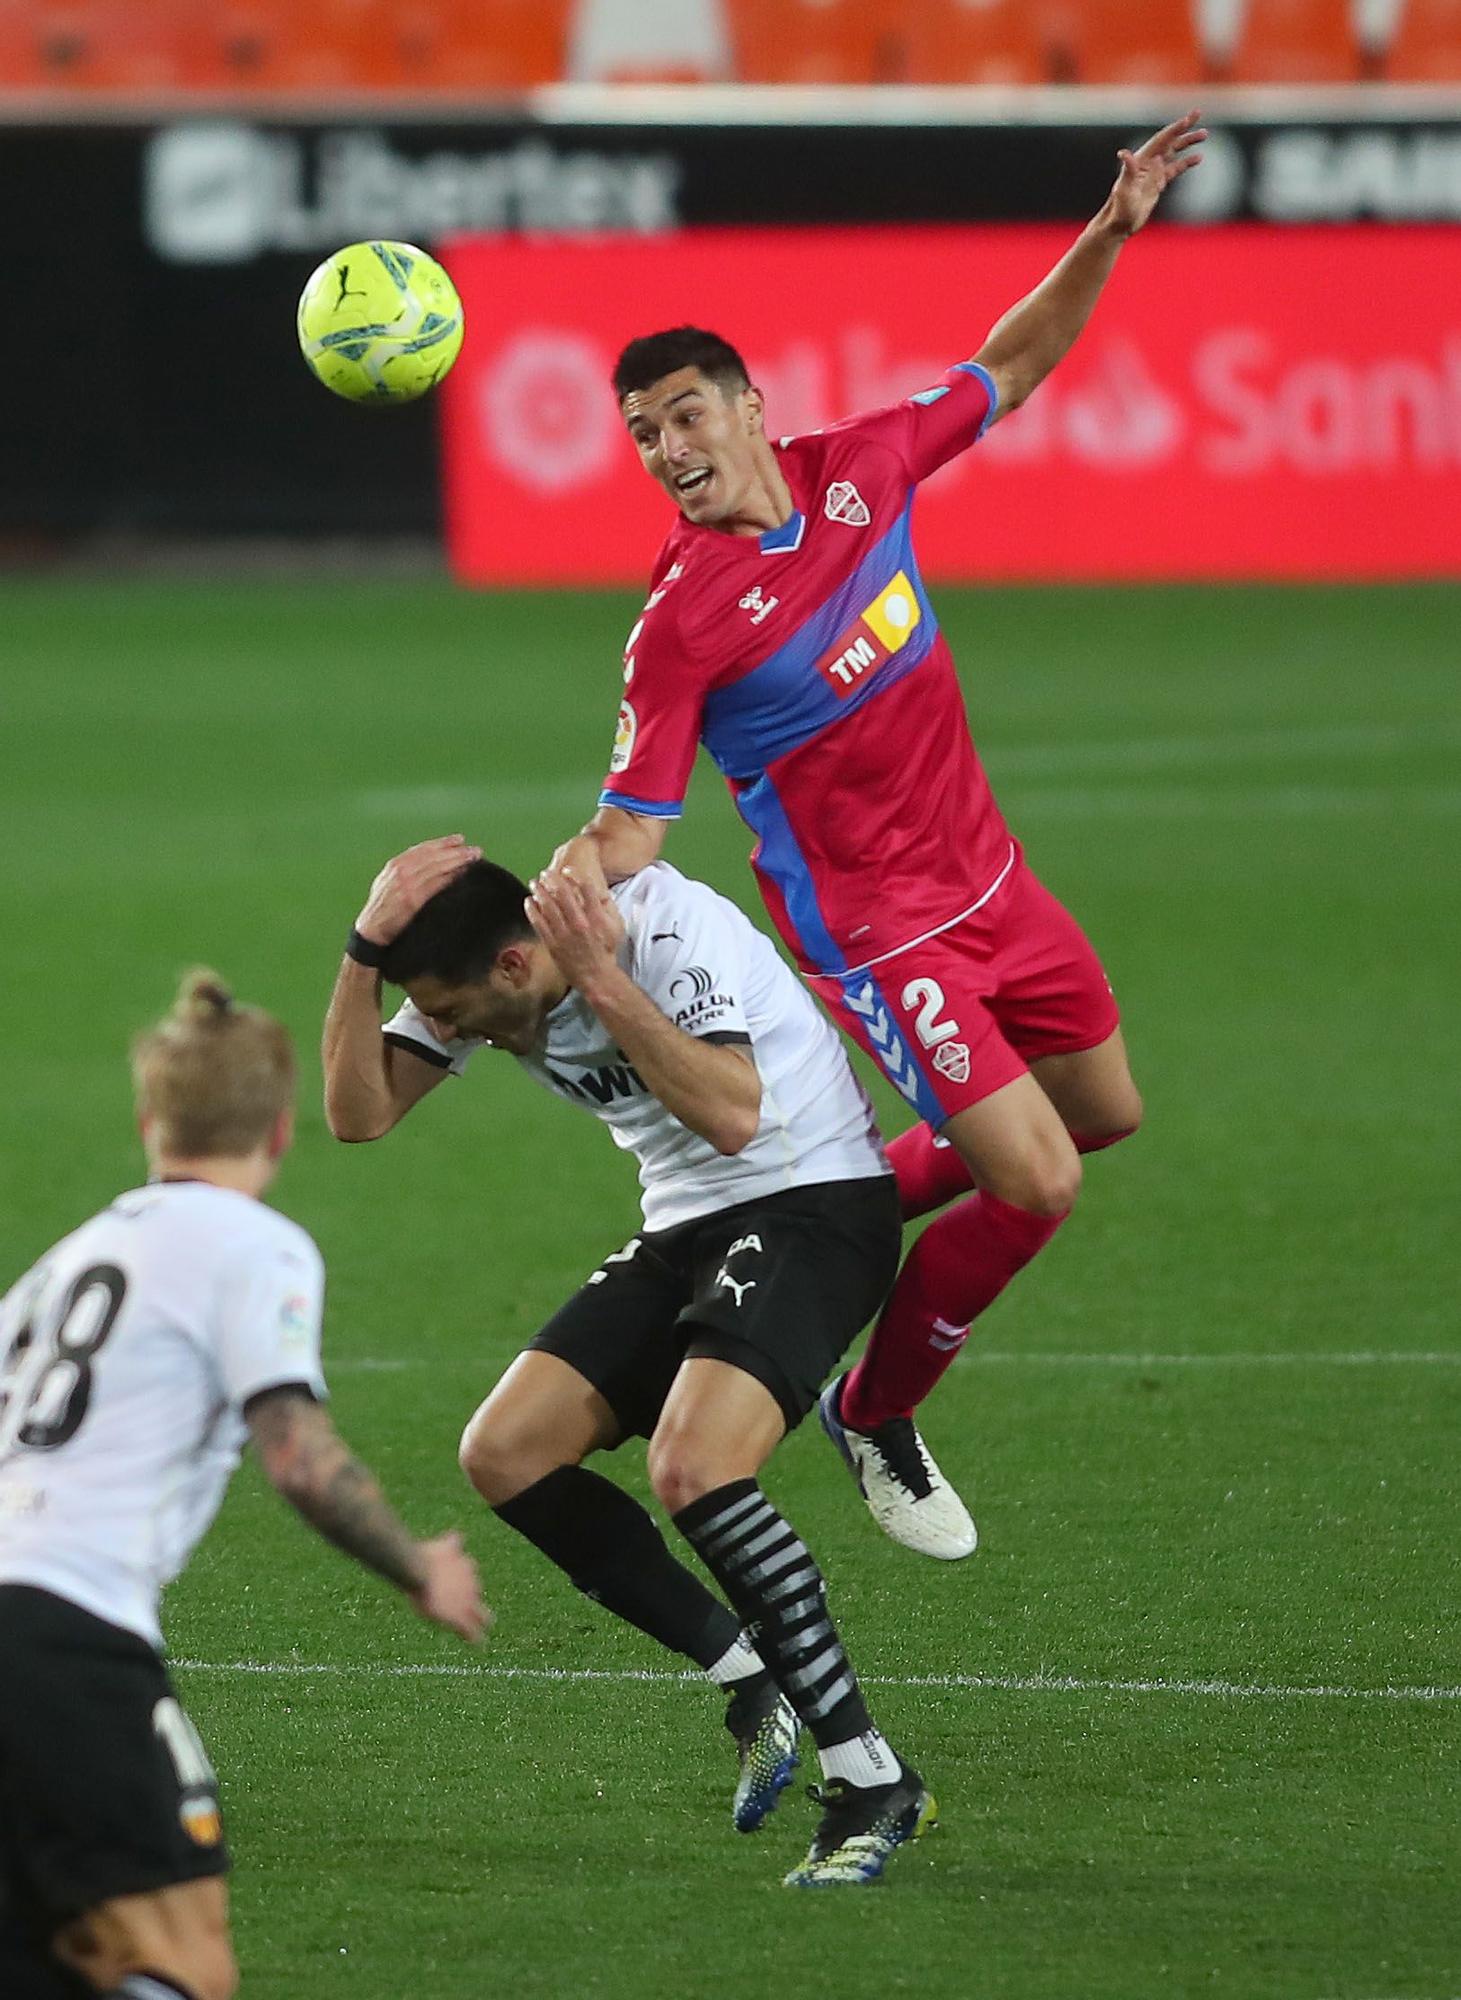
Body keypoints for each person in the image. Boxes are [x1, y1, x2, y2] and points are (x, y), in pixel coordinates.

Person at [549, 114, 1207, 1561]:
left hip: (997, 883)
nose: (667, 449)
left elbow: (1014, 366)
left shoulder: (863, 471)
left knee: (1105, 1112)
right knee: (1039, 1180)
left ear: (747, 404)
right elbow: (632, 825)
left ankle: (827, 1194)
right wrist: (545, 907)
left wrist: (1110, 226)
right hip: (881, 934)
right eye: (642, 433)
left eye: (684, 414)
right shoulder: (681, 625)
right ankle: (877, 1407)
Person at [322, 835, 934, 1887]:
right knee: (505, 1451)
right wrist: (361, 952)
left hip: (812, 1201)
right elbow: (357, 1111)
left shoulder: (655, 928)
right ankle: (752, 1680)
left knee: (696, 1466)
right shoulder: (487, 974)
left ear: (514, 964)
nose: (444, 1026)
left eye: (450, 1009)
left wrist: (602, 977)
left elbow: (735, 1114)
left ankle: (872, 1778)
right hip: (692, 1226)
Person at [0, 970, 487, 2000]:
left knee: (52, 1950)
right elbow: (297, 1451)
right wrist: (417, 1565)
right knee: (179, 1961)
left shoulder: (53, 1269)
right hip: (64, 1638)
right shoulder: (254, 1244)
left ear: (149, 1121)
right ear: (278, 1131)